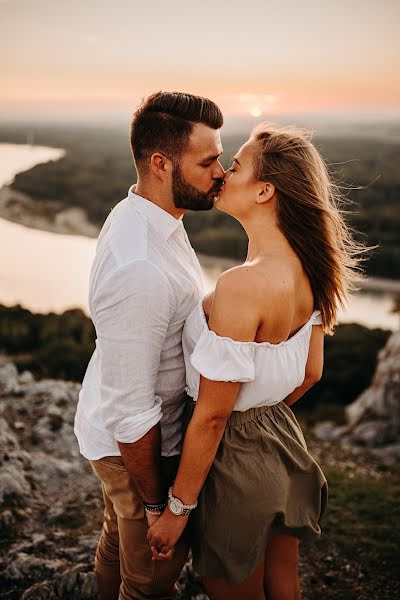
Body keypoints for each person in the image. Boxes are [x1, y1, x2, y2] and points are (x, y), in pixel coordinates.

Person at [148, 123, 365, 600]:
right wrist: (263, 409)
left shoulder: (243, 286)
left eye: (237, 165)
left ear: (265, 190)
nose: (224, 173)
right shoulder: (312, 269)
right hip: (283, 444)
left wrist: (176, 511)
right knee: (283, 587)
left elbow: (213, 414)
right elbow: (311, 373)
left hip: (233, 459)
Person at [74, 91, 225, 600]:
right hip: (137, 448)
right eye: (208, 161)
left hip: (119, 429)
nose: (221, 172)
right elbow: (134, 412)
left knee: (117, 544)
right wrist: (162, 506)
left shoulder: (150, 215)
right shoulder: (140, 266)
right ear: (161, 164)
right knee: (150, 583)